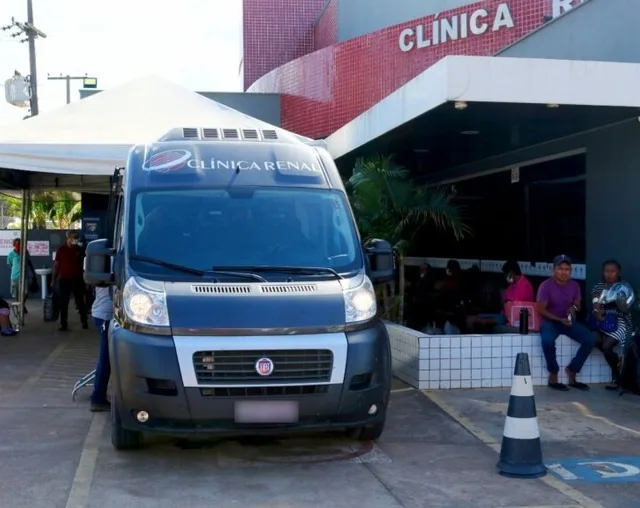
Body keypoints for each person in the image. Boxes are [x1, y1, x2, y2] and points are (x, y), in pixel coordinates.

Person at [536, 255, 595, 391]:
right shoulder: (546, 286)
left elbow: (578, 304)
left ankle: (572, 371)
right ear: (553, 270)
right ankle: (553, 374)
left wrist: (573, 309)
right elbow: (540, 309)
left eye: (567, 269)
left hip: (567, 321)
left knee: (589, 339)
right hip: (551, 321)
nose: (564, 272)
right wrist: (558, 319)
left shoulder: (574, 285)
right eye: (560, 268)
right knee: (547, 341)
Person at [590, 260, 635, 390]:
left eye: (612, 271)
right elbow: (595, 303)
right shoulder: (598, 287)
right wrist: (597, 311)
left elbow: (625, 310)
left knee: (607, 345)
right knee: (594, 339)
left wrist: (606, 311)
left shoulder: (624, 287)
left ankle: (617, 375)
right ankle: (617, 369)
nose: (609, 274)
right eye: (606, 271)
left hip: (621, 321)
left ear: (618, 272)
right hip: (603, 320)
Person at [52, 231, 88, 331]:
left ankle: (84, 321)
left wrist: (86, 280)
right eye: (73, 237)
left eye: (76, 238)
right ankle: (63, 324)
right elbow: (56, 265)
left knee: (80, 301)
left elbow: (84, 266)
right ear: (68, 238)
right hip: (64, 280)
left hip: (77, 279)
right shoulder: (61, 250)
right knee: (63, 303)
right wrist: (53, 280)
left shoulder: (80, 250)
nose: (75, 239)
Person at [89, 284, 113, 412]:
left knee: (107, 358)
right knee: (105, 359)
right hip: (105, 316)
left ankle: (98, 395)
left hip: (104, 314)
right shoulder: (110, 266)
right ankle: (97, 397)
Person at [6, 238, 36, 315]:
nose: (19, 245)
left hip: (24, 277)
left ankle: (21, 305)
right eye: (18, 244)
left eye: (20, 244)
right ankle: (19, 310)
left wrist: (33, 274)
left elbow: (29, 263)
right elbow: (10, 265)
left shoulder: (25, 252)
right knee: (15, 294)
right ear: (14, 245)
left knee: (26, 292)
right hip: (15, 277)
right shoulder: (11, 254)